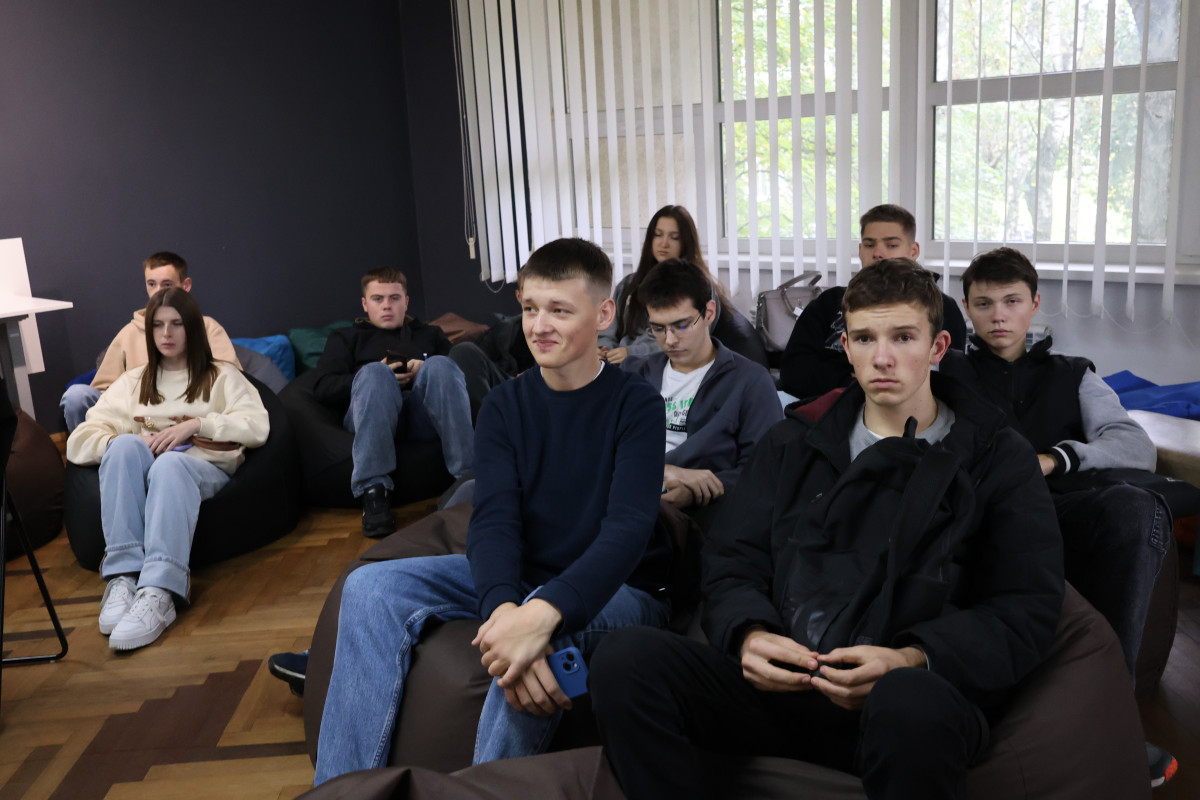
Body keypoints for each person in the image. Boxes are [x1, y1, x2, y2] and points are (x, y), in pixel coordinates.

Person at [590, 258, 1064, 800]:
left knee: (910, 701)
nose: (881, 357)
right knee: (625, 660)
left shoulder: (997, 457)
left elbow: (1025, 605)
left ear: (937, 348)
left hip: (903, 701)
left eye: (903, 337)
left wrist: (910, 659)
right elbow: (732, 562)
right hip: (783, 688)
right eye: (864, 338)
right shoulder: (793, 441)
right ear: (846, 348)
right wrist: (749, 635)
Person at [312, 238, 671, 784]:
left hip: (621, 590)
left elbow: (627, 529)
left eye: (559, 311)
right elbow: (494, 518)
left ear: (603, 315)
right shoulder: (506, 403)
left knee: (539, 644)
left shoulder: (637, 404)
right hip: (526, 576)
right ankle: (343, 792)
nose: (539, 326)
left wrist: (540, 616)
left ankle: (480, 791)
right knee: (368, 587)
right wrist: (504, 611)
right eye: (529, 308)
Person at [940, 246, 1176, 788]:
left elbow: (1135, 446)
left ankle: (1113, 714)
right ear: (966, 309)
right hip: (984, 516)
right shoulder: (947, 373)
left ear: (1034, 303)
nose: (999, 316)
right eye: (984, 304)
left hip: (1065, 505)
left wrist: (1057, 458)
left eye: (1012, 301)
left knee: (1137, 507)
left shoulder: (1074, 373)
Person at [66, 288, 269, 651]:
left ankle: (160, 589)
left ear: (192, 328)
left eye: (176, 324)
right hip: (146, 470)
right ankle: (124, 576)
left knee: (171, 464)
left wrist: (197, 425)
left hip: (201, 468)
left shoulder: (222, 375)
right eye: (158, 325)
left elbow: (257, 426)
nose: (166, 334)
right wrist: (126, 442)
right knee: (123, 445)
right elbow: (79, 440)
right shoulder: (133, 381)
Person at [310, 267, 473, 538]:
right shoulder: (345, 338)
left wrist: (426, 369)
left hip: (422, 415)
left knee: (442, 364)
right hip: (370, 414)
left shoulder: (430, 334)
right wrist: (380, 374)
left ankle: (469, 479)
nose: (387, 305)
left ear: (406, 302)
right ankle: (374, 493)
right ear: (365, 304)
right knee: (376, 373)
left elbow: (461, 380)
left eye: (394, 298)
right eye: (378, 299)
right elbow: (322, 387)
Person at [621, 258, 782, 530]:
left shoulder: (749, 382)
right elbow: (598, 450)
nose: (670, 340)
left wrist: (697, 492)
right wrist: (664, 472)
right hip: (627, 497)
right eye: (658, 328)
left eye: (682, 325)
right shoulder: (633, 373)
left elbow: (766, 471)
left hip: (701, 519)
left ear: (709, 313)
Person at [779, 204, 967, 399]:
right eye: (869, 245)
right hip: (829, 406)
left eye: (891, 245)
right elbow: (793, 373)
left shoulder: (942, 307)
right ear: (860, 250)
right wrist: (852, 382)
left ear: (913, 251)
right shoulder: (828, 302)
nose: (878, 253)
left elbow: (948, 380)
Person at [60, 251, 241, 432]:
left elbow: (232, 383)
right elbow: (103, 391)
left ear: (185, 285)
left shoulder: (208, 328)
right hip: (136, 420)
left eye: (167, 284)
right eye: (151, 284)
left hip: (191, 416)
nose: (158, 292)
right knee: (76, 395)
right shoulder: (129, 333)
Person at [599, 205, 769, 368]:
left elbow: (690, 340)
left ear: (686, 243)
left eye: (674, 237)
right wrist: (603, 349)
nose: (664, 244)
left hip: (659, 366)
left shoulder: (697, 286)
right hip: (616, 365)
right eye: (658, 235)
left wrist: (632, 353)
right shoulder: (629, 284)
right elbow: (607, 328)